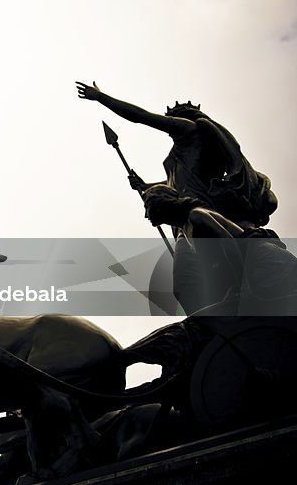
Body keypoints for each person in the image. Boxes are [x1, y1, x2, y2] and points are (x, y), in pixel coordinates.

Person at [76, 82, 279, 313]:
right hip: (180, 222)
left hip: (202, 212)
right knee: (184, 283)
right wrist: (146, 185)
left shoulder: (189, 130)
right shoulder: (177, 154)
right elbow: (177, 184)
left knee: (217, 273)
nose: (168, 122)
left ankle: (242, 297)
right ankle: (206, 328)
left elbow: (140, 117)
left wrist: (101, 98)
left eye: (170, 118)